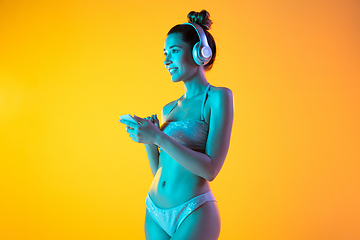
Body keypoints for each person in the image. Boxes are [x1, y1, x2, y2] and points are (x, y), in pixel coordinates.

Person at [119, 9, 234, 240]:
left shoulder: (217, 98)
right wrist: (150, 143)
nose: (167, 60)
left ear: (199, 53)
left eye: (174, 51)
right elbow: (162, 171)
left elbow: (210, 170)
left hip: (194, 212)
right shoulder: (168, 109)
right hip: (154, 211)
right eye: (165, 53)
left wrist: (160, 137)